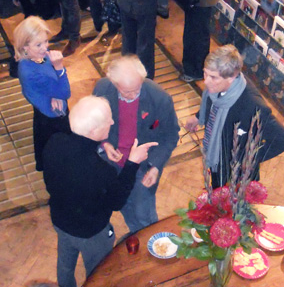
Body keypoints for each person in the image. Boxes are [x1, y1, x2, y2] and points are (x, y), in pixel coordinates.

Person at [43, 94, 158, 287]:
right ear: (94, 130)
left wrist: (103, 145)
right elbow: (116, 202)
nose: (112, 122)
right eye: (108, 120)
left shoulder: (55, 142)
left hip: (60, 221)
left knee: (65, 263)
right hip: (91, 232)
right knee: (99, 273)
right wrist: (132, 163)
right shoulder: (100, 170)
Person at [184, 45, 284, 187]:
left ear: (232, 77)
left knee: (232, 209)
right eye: (205, 74)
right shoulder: (217, 85)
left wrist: (248, 160)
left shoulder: (253, 105)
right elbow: (214, 103)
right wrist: (199, 116)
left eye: (213, 77)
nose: (206, 81)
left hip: (238, 178)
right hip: (217, 159)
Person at [93, 55, 179, 232]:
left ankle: (149, 238)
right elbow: (95, 121)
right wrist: (105, 144)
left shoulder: (160, 98)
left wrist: (155, 167)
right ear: (114, 83)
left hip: (143, 166)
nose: (133, 95)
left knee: (144, 212)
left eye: (137, 89)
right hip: (112, 162)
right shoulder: (102, 88)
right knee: (123, 202)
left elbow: (170, 136)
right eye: (127, 92)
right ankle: (135, 234)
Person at [14, 16, 71, 171]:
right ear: (25, 47)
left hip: (46, 106)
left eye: (46, 42)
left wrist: (51, 93)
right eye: (38, 44)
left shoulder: (36, 58)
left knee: (43, 140)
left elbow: (47, 75)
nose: (45, 48)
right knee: (57, 144)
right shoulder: (29, 72)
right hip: (51, 115)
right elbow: (65, 92)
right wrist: (59, 67)